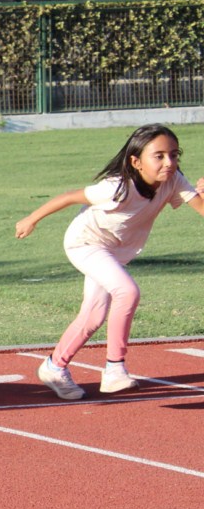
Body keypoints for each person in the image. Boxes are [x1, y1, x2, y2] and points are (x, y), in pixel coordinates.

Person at [15, 123, 202, 399]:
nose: (169, 162)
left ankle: (54, 366)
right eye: (159, 155)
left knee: (93, 315)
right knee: (127, 291)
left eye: (174, 154)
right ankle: (114, 368)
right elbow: (69, 197)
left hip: (114, 253)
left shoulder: (174, 180)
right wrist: (31, 219)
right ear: (136, 162)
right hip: (85, 244)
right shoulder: (117, 187)